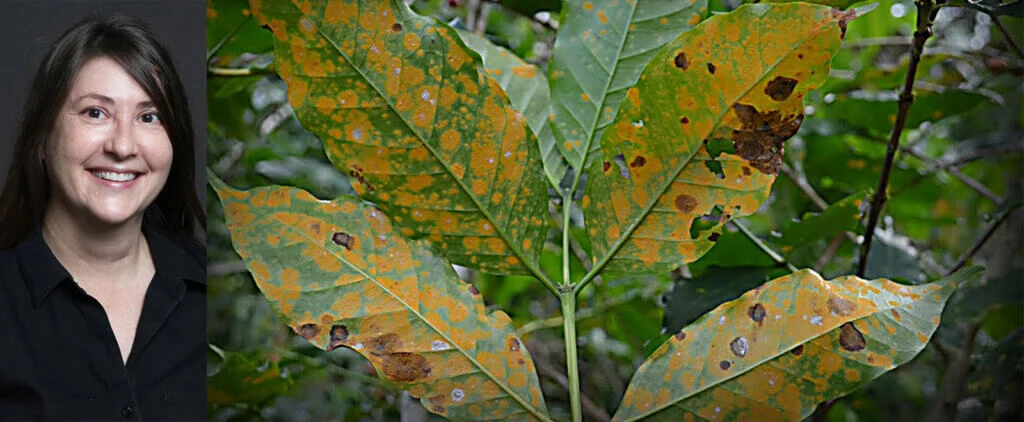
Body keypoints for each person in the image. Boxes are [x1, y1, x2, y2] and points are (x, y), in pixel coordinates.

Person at [0, 15, 205, 420]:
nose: (123, 145)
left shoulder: (208, 289)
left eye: (149, 117)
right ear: (43, 138)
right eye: (95, 112)